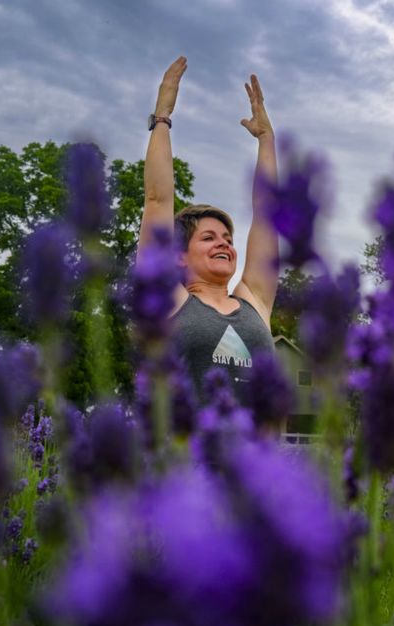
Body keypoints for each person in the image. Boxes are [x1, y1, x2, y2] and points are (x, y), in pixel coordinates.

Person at [138, 56, 279, 403]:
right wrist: (162, 118)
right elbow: (158, 199)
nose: (225, 245)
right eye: (209, 237)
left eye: (229, 240)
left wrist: (266, 140)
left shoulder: (255, 302)